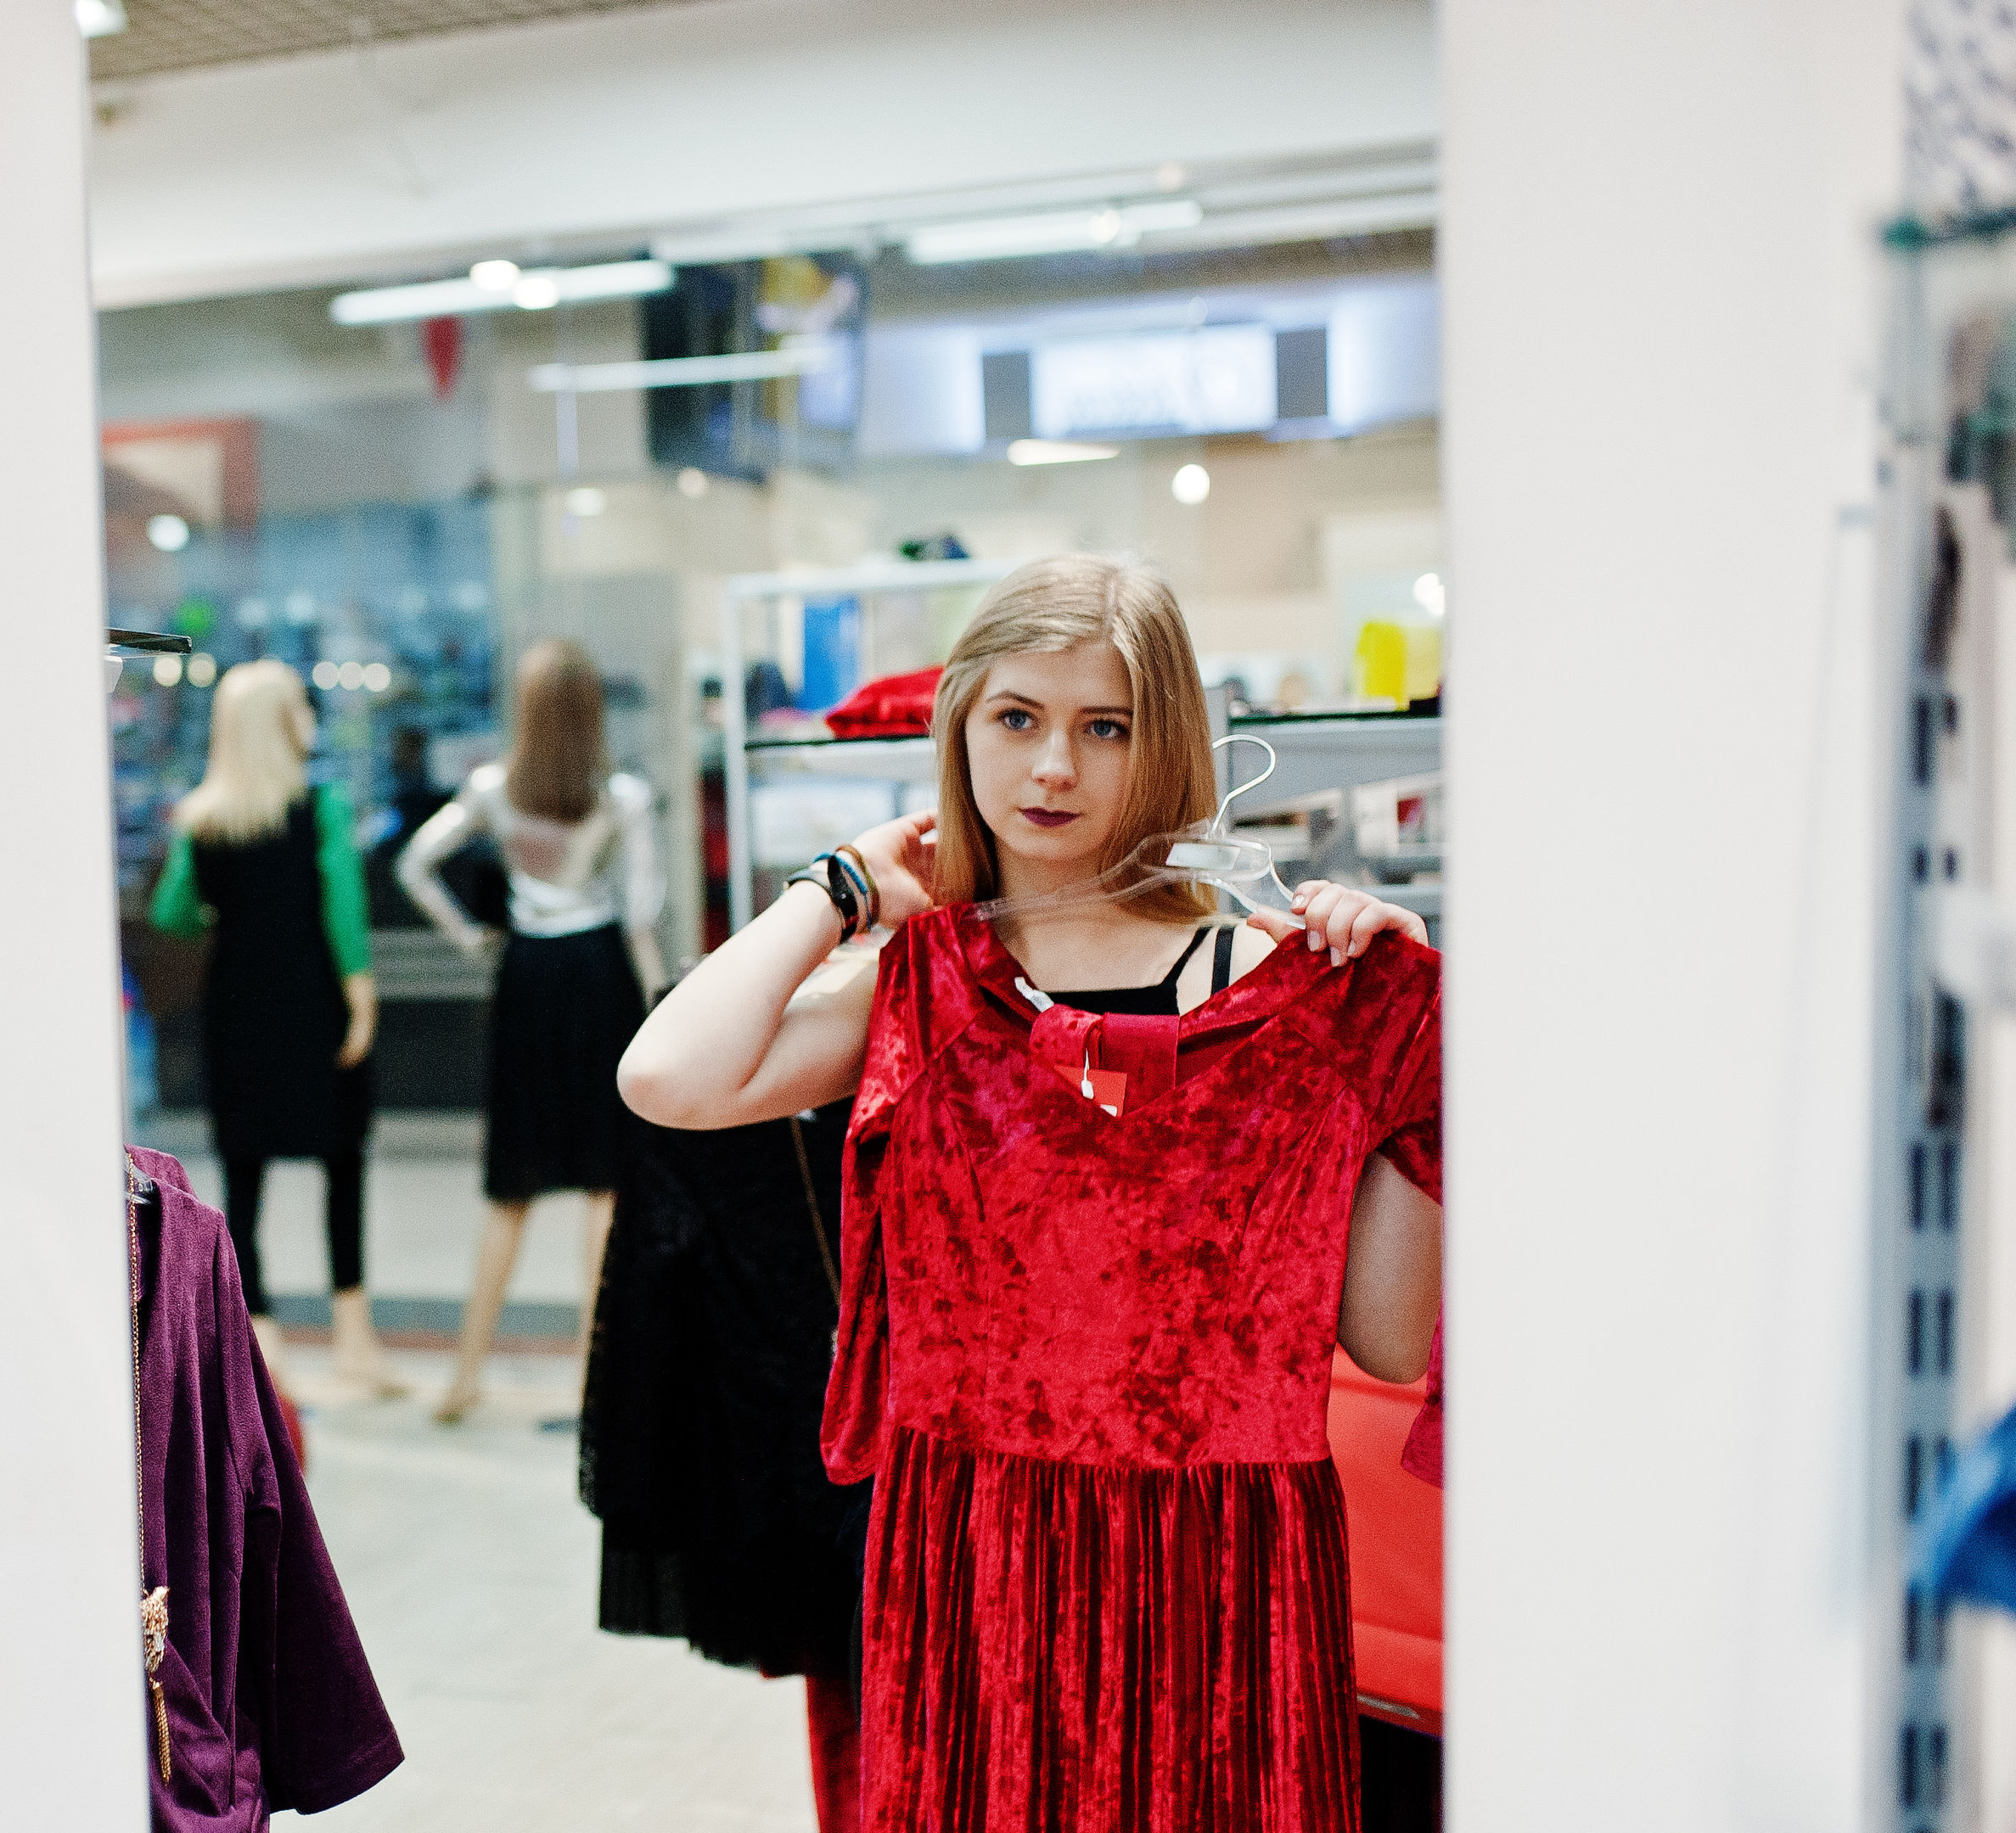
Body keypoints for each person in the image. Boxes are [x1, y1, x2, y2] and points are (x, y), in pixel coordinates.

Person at [617, 554, 1439, 1827]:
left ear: (1161, 742)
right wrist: (840, 889)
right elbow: (667, 1076)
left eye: (1104, 728)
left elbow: (1385, 1335)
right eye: (1017, 719)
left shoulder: (1297, 990)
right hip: (979, 1562)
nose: (1054, 769)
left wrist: (1408, 1075)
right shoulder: (920, 988)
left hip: (1226, 1577)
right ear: (961, 730)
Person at [398, 638, 664, 1426]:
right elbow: (643, 912)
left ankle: (465, 1375)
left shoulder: (491, 789)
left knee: (509, 1185)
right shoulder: (620, 796)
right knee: (605, 1187)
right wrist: (658, 1013)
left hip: (526, 979)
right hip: (597, 976)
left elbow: (416, 864)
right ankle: (596, 1387)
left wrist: (469, 936)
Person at [149, 659, 401, 1400]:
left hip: (238, 1005)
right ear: (283, 721)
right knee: (341, 1160)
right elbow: (343, 914)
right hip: (312, 998)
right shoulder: (320, 808)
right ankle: (355, 1339)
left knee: (245, 1168)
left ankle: (264, 1346)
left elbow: (173, 911)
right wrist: (360, 996)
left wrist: (223, 914)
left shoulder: (201, 822)